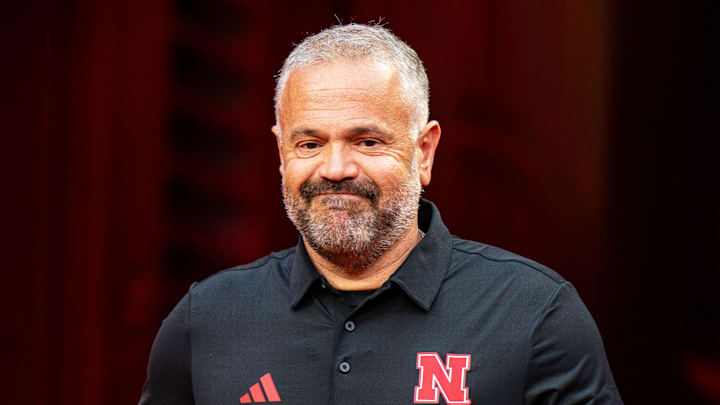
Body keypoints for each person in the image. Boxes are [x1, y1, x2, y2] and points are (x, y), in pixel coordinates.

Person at [139, 23, 622, 404]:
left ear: (425, 151)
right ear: (281, 153)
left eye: (367, 142)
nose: (335, 168)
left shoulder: (534, 315)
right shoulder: (205, 322)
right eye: (309, 143)